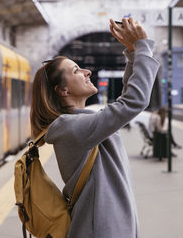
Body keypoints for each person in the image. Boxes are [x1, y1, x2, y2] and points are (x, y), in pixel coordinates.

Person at [30, 18, 159, 238]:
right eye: (76, 71)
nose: (87, 72)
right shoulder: (71, 128)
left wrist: (132, 53)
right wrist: (142, 47)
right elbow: (132, 102)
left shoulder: (80, 123)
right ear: (62, 90)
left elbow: (124, 101)